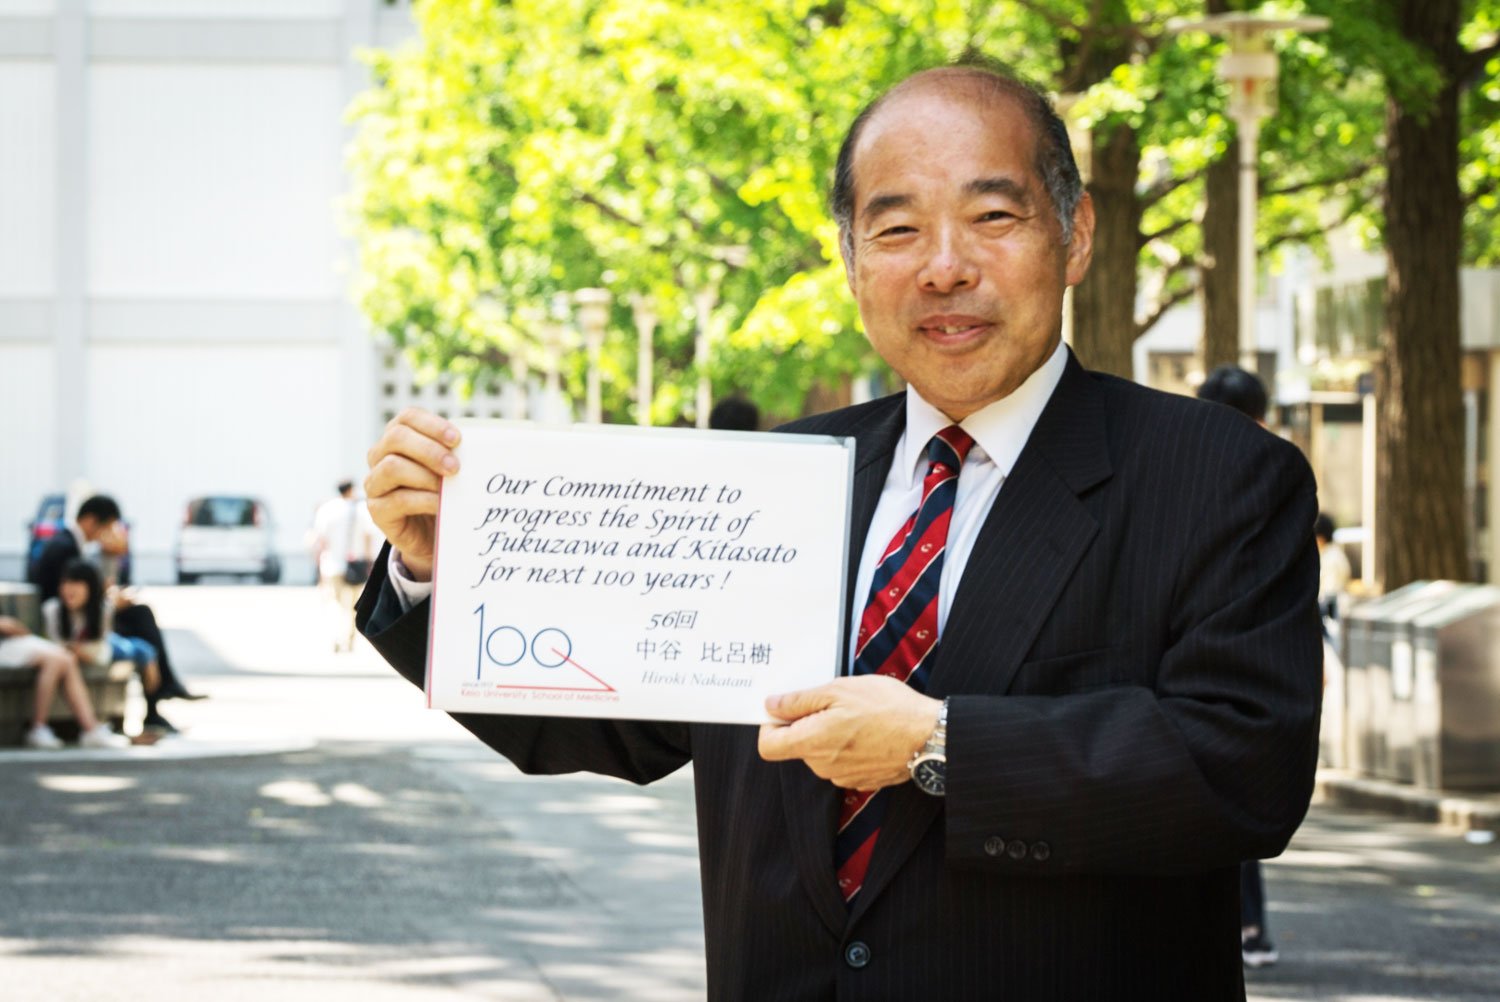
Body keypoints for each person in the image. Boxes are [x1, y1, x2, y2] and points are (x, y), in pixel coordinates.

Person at [358, 64, 1322, 999]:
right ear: (852, 263)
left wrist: (938, 743)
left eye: (993, 217)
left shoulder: (1217, 478)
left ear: (1075, 236)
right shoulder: (769, 484)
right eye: (897, 229)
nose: (944, 268)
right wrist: (438, 568)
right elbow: (610, 717)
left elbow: (1243, 769)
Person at [1195, 363, 1286, 970]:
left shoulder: (1179, 463)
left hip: (1196, 659)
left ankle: (1243, 924)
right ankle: (1250, 925)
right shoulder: (1271, 469)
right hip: (1250, 660)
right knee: (1235, 794)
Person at [34, 494, 204, 732]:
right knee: (142, 622)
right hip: (74, 625)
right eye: (108, 527)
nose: (108, 534)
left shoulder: (68, 543)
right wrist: (112, 601)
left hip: (83, 618)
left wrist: (111, 576)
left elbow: (94, 589)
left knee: (141, 619)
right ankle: (161, 693)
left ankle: (161, 693)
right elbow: (73, 596)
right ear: (91, 520)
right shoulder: (65, 547)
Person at [42, 559, 163, 709]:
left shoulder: (102, 610)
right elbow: (54, 645)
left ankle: (149, 657)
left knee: (131, 648)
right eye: (65, 583)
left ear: (91, 587)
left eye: (76, 583)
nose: (69, 589)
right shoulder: (52, 609)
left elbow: (102, 649)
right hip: (95, 648)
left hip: (104, 646)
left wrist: (78, 651)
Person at [0, 615, 129, 750]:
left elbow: (19, 630)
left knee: (67, 658)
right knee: (56, 660)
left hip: (14, 641)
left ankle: (91, 729)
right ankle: (39, 728)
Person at [310, 480, 380, 653]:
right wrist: (370, 562)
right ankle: (348, 639)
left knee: (335, 602)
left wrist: (318, 564)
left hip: (331, 565)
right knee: (352, 605)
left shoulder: (327, 510)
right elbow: (368, 537)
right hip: (356, 565)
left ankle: (336, 636)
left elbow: (320, 540)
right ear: (351, 490)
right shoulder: (361, 510)